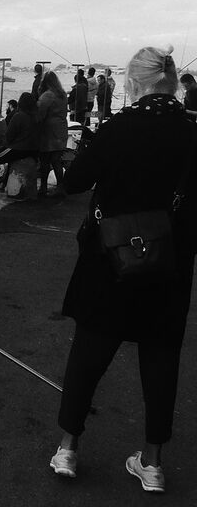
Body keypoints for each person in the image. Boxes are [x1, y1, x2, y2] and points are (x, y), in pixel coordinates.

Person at [49, 46, 197, 494]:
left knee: (89, 354)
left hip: (110, 259)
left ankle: (68, 448)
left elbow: (74, 182)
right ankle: (151, 464)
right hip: (170, 264)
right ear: (171, 82)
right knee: (161, 360)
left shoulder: (120, 127)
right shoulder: (192, 131)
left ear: (134, 83)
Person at [0, 92, 39, 196]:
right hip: (33, 150)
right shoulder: (36, 117)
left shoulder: (19, 116)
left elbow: (9, 136)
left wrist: (2, 147)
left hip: (18, 148)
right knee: (4, 159)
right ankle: (3, 183)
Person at [36, 71, 69, 198]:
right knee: (56, 160)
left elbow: (40, 114)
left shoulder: (47, 96)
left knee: (44, 160)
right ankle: (60, 187)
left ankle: (43, 187)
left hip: (48, 131)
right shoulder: (62, 95)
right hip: (61, 129)